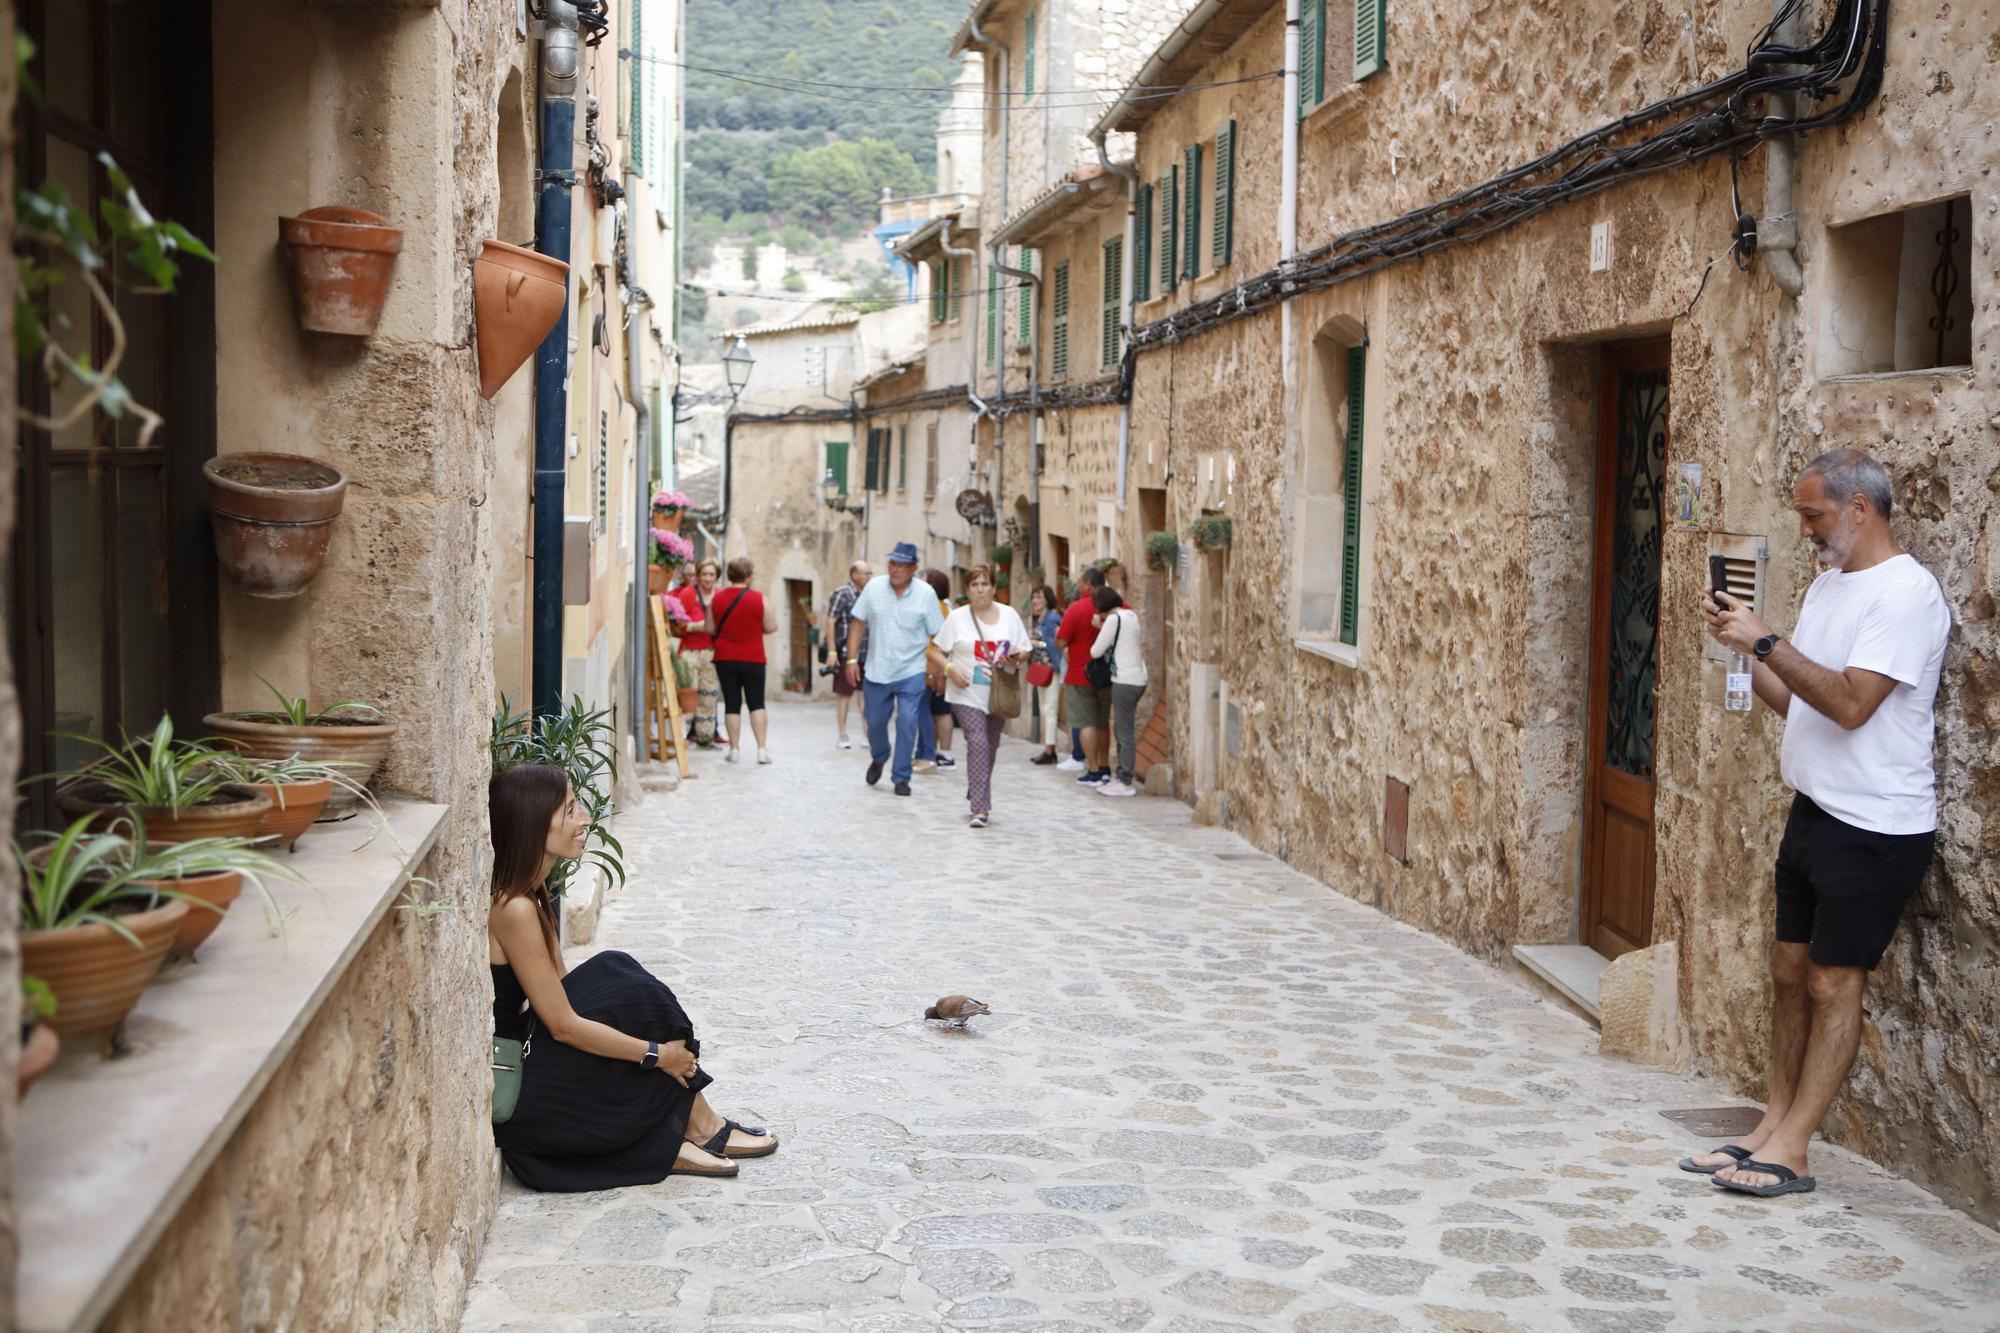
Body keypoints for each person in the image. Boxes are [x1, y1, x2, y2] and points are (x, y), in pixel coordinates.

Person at [1687, 448, 1949, 1199]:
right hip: (1814, 809)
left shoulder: (1905, 595)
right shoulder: (1832, 585)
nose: (1804, 531)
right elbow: (1800, 697)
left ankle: (1796, 1148)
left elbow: (1850, 703)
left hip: (1875, 823)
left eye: (1814, 515)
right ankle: (1771, 1122)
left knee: (1835, 982)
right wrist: (1742, 646)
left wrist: (1769, 642)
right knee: (1788, 974)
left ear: (1860, 509)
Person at [488, 763, 777, 1190]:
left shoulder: (531, 892)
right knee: (626, 995)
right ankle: (690, 1129)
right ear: (533, 823)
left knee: (617, 974)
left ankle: (698, 1123)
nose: (585, 818)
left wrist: (645, 1043)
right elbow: (564, 1026)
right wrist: (657, 1054)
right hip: (525, 1090)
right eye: (570, 811)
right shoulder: (513, 907)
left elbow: (569, 990)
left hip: (539, 1049)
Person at [934, 565, 1030, 828]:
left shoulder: (1009, 616)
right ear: (967, 590)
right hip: (965, 694)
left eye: (984, 584)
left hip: (999, 694)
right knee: (977, 742)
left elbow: (1025, 651)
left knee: (990, 746)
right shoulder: (957, 619)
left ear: (994, 588)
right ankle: (980, 808)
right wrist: (950, 669)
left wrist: (1016, 660)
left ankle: (976, 789)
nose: (980, 590)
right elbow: (935, 650)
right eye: (974, 585)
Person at [846, 541, 944, 796]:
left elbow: (938, 634)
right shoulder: (874, 588)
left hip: (911, 671)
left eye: (901, 565)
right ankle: (879, 756)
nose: (895, 569)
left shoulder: (926, 594)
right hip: (877, 670)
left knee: (908, 721)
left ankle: (901, 777)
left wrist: (936, 670)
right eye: (892, 563)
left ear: (913, 568)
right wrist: (851, 659)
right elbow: (858, 623)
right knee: (875, 723)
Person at [707, 557, 777, 765]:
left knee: (732, 703)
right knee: (757, 703)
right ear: (748, 576)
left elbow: (710, 628)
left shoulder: (716, 599)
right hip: (753, 656)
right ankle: (762, 749)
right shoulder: (759, 598)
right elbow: (771, 626)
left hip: (725, 657)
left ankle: (734, 749)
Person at [1055, 566, 1112, 787]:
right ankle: (1106, 767)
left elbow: (1061, 642)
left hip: (1080, 673)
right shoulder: (1115, 606)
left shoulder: (1076, 608)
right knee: (1103, 723)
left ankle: (1094, 769)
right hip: (1106, 674)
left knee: (1086, 723)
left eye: (1080, 582)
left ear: (1088, 584)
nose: (1078, 586)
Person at [1089, 585, 1148, 798]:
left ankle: (1124, 780)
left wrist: (1099, 626)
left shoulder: (1113, 620)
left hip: (1124, 680)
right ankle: (1122, 776)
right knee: (1124, 729)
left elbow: (1095, 651)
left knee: (1123, 731)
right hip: (1138, 678)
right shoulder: (1130, 615)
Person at [671, 560, 722, 747]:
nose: (707, 578)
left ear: (717, 577)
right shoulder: (688, 594)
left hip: (710, 652)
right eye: (704, 574)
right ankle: (683, 736)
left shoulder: (720, 596)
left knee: (709, 695)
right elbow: (679, 623)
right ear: (698, 576)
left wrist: (705, 628)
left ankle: (705, 737)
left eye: (711, 575)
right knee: (688, 693)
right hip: (689, 651)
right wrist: (703, 626)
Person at [823, 560, 870, 749]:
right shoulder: (843, 593)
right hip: (845, 652)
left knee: (866, 695)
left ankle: (866, 734)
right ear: (854, 575)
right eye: (866, 573)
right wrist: (832, 651)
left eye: (870, 573)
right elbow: (830, 621)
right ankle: (842, 734)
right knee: (844, 694)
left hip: (866, 652)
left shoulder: (869, 594)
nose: (869, 577)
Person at [914, 568, 957, 774]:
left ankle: (927, 753)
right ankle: (924, 751)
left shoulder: (937, 608)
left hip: (929, 666)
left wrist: (938, 672)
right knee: (930, 711)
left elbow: (938, 643)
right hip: (931, 666)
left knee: (925, 711)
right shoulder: (941, 607)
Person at [1027, 584, 1065, 765]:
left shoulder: (1052, 619)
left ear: (1048, 599)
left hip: (1051, 668)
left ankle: (1049, 750)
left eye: (1039, 597)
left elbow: (1055, 645)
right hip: (1040, 669)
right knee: (1044, 709)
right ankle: (1049, 748)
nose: (1035, 601)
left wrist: (1036, 643)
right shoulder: (1038, 619)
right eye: (1033, 597)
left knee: (1050, 709)